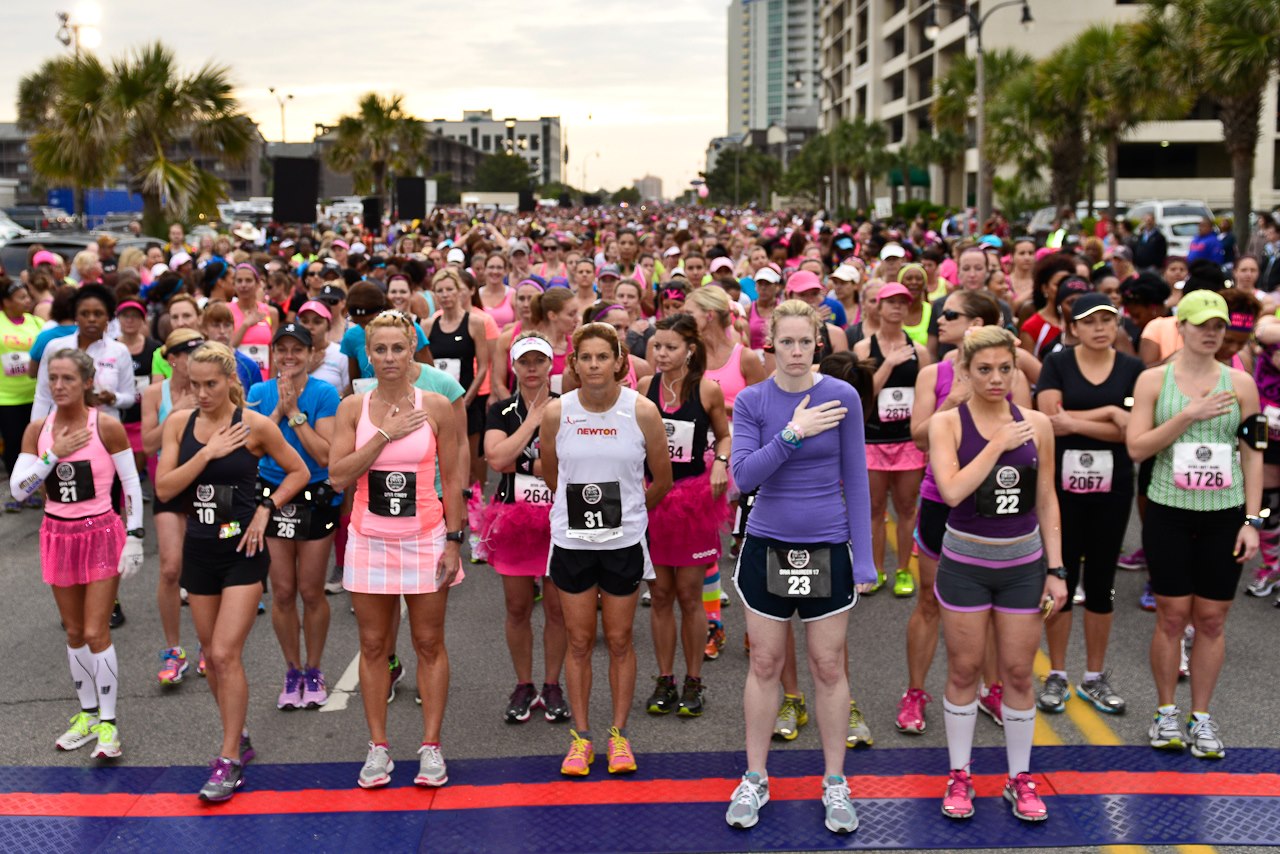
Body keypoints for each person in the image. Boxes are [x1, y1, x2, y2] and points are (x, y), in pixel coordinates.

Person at [723, 299, 874, 835]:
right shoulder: (751, 400)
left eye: (803, 342)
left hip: (828, 546)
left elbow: (857, 478)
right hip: (767, 544)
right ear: (771, 343)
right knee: (765, 662)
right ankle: (756, 775)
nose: (793, 351)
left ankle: (835, 781)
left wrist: (867, 557)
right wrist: (793, 431)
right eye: (784, 341)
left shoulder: (843, 396)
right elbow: (741, 477)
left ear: (817, 344)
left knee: (828, 666)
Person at [155, 342, 308, 802]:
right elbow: (164, 487)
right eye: (194, 384)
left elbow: (298, 471)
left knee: (223, 654)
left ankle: (228, 760)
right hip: (199, 549)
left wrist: (266, 508)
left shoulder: (255, 425)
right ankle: (235, 733)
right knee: (210, 653)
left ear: (230, 382)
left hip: (243, 548)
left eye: (211, 384)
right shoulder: (179, 424)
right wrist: (206, 454)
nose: (201, 393)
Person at [927, 326, 1065, 823]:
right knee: (964, 671)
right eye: (984, 369)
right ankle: (959, 774)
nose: (996, 378)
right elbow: (953, 491)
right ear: (965, 371)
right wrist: (997, 442)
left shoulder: (1037, 424)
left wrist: (1057, 569)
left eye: (1005, 368)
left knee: (1018, 675)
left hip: (1022, 565)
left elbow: (1047, 497)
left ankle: (1019, 777)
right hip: (965, 562)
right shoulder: (948, 423)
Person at [327, 310, 465, 789]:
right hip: (369, 539)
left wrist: (454, 541)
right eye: (380, 349)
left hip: (425, 537)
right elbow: (338, 475)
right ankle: (378, 748)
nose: (389, 358)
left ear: (413, 353)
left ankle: (431, 747)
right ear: (368, 354)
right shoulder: (352, 408)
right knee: (373, 645)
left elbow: (453, 478)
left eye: (398, 349)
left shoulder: (437, 405)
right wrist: (385, 433)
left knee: (428, 642)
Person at [1126, 289, 1262, 760]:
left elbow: (1253, 455)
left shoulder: (1241, 384)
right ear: (1179, 327)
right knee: (1171, 617)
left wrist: (1253, 521)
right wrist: (1188, 414)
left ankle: (1200, 717)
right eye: (1202, 324)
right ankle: (1166, 712)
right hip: (1168, 511)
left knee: (1211, 619)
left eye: (1219, 326)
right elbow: (1137, 448)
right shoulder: (1151, 382)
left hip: (1225, 515)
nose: (1211, 333)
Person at [540, 322, 672, 777]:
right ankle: (581, 738)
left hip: (623, 543)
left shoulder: (643, 411)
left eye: (603, 357)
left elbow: (663, 478)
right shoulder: (558, 413)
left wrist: (630, 515)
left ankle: (618, 735)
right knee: (578, 641)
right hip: (573, 543)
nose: (594, 366)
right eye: (585, 358)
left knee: (618, 640)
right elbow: (552, 475)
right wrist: (578, 517)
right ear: (573, 364)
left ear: (619, 361)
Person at [9, 349, 144, 761]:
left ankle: (109, 724)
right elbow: (18, 490)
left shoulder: (105, 426)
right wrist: (53, 453)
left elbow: (131, 485)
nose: (59, 385)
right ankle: (87, 715)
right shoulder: (38, 429)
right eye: (53, 378)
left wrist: (135, 537)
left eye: (68, 378)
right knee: (72, 631)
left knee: (94, 631)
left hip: (100, 532)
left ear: (87, 382)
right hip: (58, 534)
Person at [1035, 294, 1144, 714]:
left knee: (1101, 581)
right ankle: (1057, 674)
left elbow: (1133, 435)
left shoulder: (1133, 368)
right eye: (1090, 321)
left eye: (1107, 320)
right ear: (1074, 328)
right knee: (1061, 576)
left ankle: (1094, 677)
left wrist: (1081, 421)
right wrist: (1111, 413)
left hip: (1111, 487)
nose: (1100, 328)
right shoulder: (1057, 362)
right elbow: (1050, 420)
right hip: (1061, 489)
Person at [639, 314, 732, 718]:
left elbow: (725, 433)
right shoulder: (644, 389)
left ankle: (694, 680)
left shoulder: (707, 390)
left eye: (670, 347)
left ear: (689, 350)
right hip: (654, 499)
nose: (661, 354)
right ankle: (665, 679)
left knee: (690, 596)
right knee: (660, 595)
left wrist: (720, 462)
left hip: (693, 501)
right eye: (657, 346)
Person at [246, 323, 342, 710]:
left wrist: (296, 414)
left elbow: (324, 455)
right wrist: (277, 409)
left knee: (311, 590)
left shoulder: (325, 393)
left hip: (315, 498)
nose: (289, 356)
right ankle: (292, 669)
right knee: (282, 592)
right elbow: (253, 446)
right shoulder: (258, 392)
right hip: (272, 496)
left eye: (297, 349)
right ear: (272, 354)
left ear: (311, 354)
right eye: (282, 349)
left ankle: (315, 669)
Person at [479, 332, 570, 724]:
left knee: (557, 608)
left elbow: (572, 463)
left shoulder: (570, 406)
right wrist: (532, 421)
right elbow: (496, 459)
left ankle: (552, 684)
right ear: (513, 367)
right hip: (515, 517)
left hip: (560, 515)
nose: (532, 369)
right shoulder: (501, 410)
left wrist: (529, 463)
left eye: (539, 361)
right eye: (524, 362)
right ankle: (523, 683)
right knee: (517, 606)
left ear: (552, 365)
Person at [853, 281, 931, 596]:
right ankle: (875, 571)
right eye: (891, 302)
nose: (897, 307)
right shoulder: (862, 348)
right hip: (872, 439)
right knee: (873, 508)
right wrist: (889, 363)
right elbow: (864, 393)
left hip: (907, 440)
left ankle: (902, 570)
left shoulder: (921, 351)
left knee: (907, 507)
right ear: (878, 307)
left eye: (903, 302)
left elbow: (928, 395)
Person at [142, 330, 203, 684]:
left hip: (204, 484)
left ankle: (207, 645)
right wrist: (175, 414)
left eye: (198, 350)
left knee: (202, 565)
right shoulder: (155, 393)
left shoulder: (210, 388)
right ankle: (173, 649)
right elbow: (148, 445)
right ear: (172, 359)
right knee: (170, 568)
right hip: (169, 482)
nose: (192, 358)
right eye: (185, 352)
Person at [32, 285, 136, 422]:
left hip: (103, 428)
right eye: (84, 314)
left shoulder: (119, 351)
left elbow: (129, 397)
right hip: (61, 426)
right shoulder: (55, 347)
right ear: (75, 316)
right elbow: (43, 396)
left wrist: (113, 398)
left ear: (109, 317)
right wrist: (38, 432)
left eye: (98, 314)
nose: (91, 319)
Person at [424, 268, 491, 484]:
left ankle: (475, 509)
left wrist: (467, 398)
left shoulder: (474, 322)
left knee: (470, 461)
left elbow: (482, 366)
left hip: (466, 401)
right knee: (439, 460)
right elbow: (424, 365)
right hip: (436, 403)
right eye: (440, 290)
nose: (445, 294)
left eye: (449, 289)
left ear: (459, 291)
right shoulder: (428, 325)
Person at [1, 277, 42, 507]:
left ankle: (31, 488)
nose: (27, 301)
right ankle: (16, 492)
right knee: (13, 443)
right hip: (6, 397)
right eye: (21, 297)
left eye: (28, 296)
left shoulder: (35, 322)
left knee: (33, 445)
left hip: (33, 395)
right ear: (6, 301)